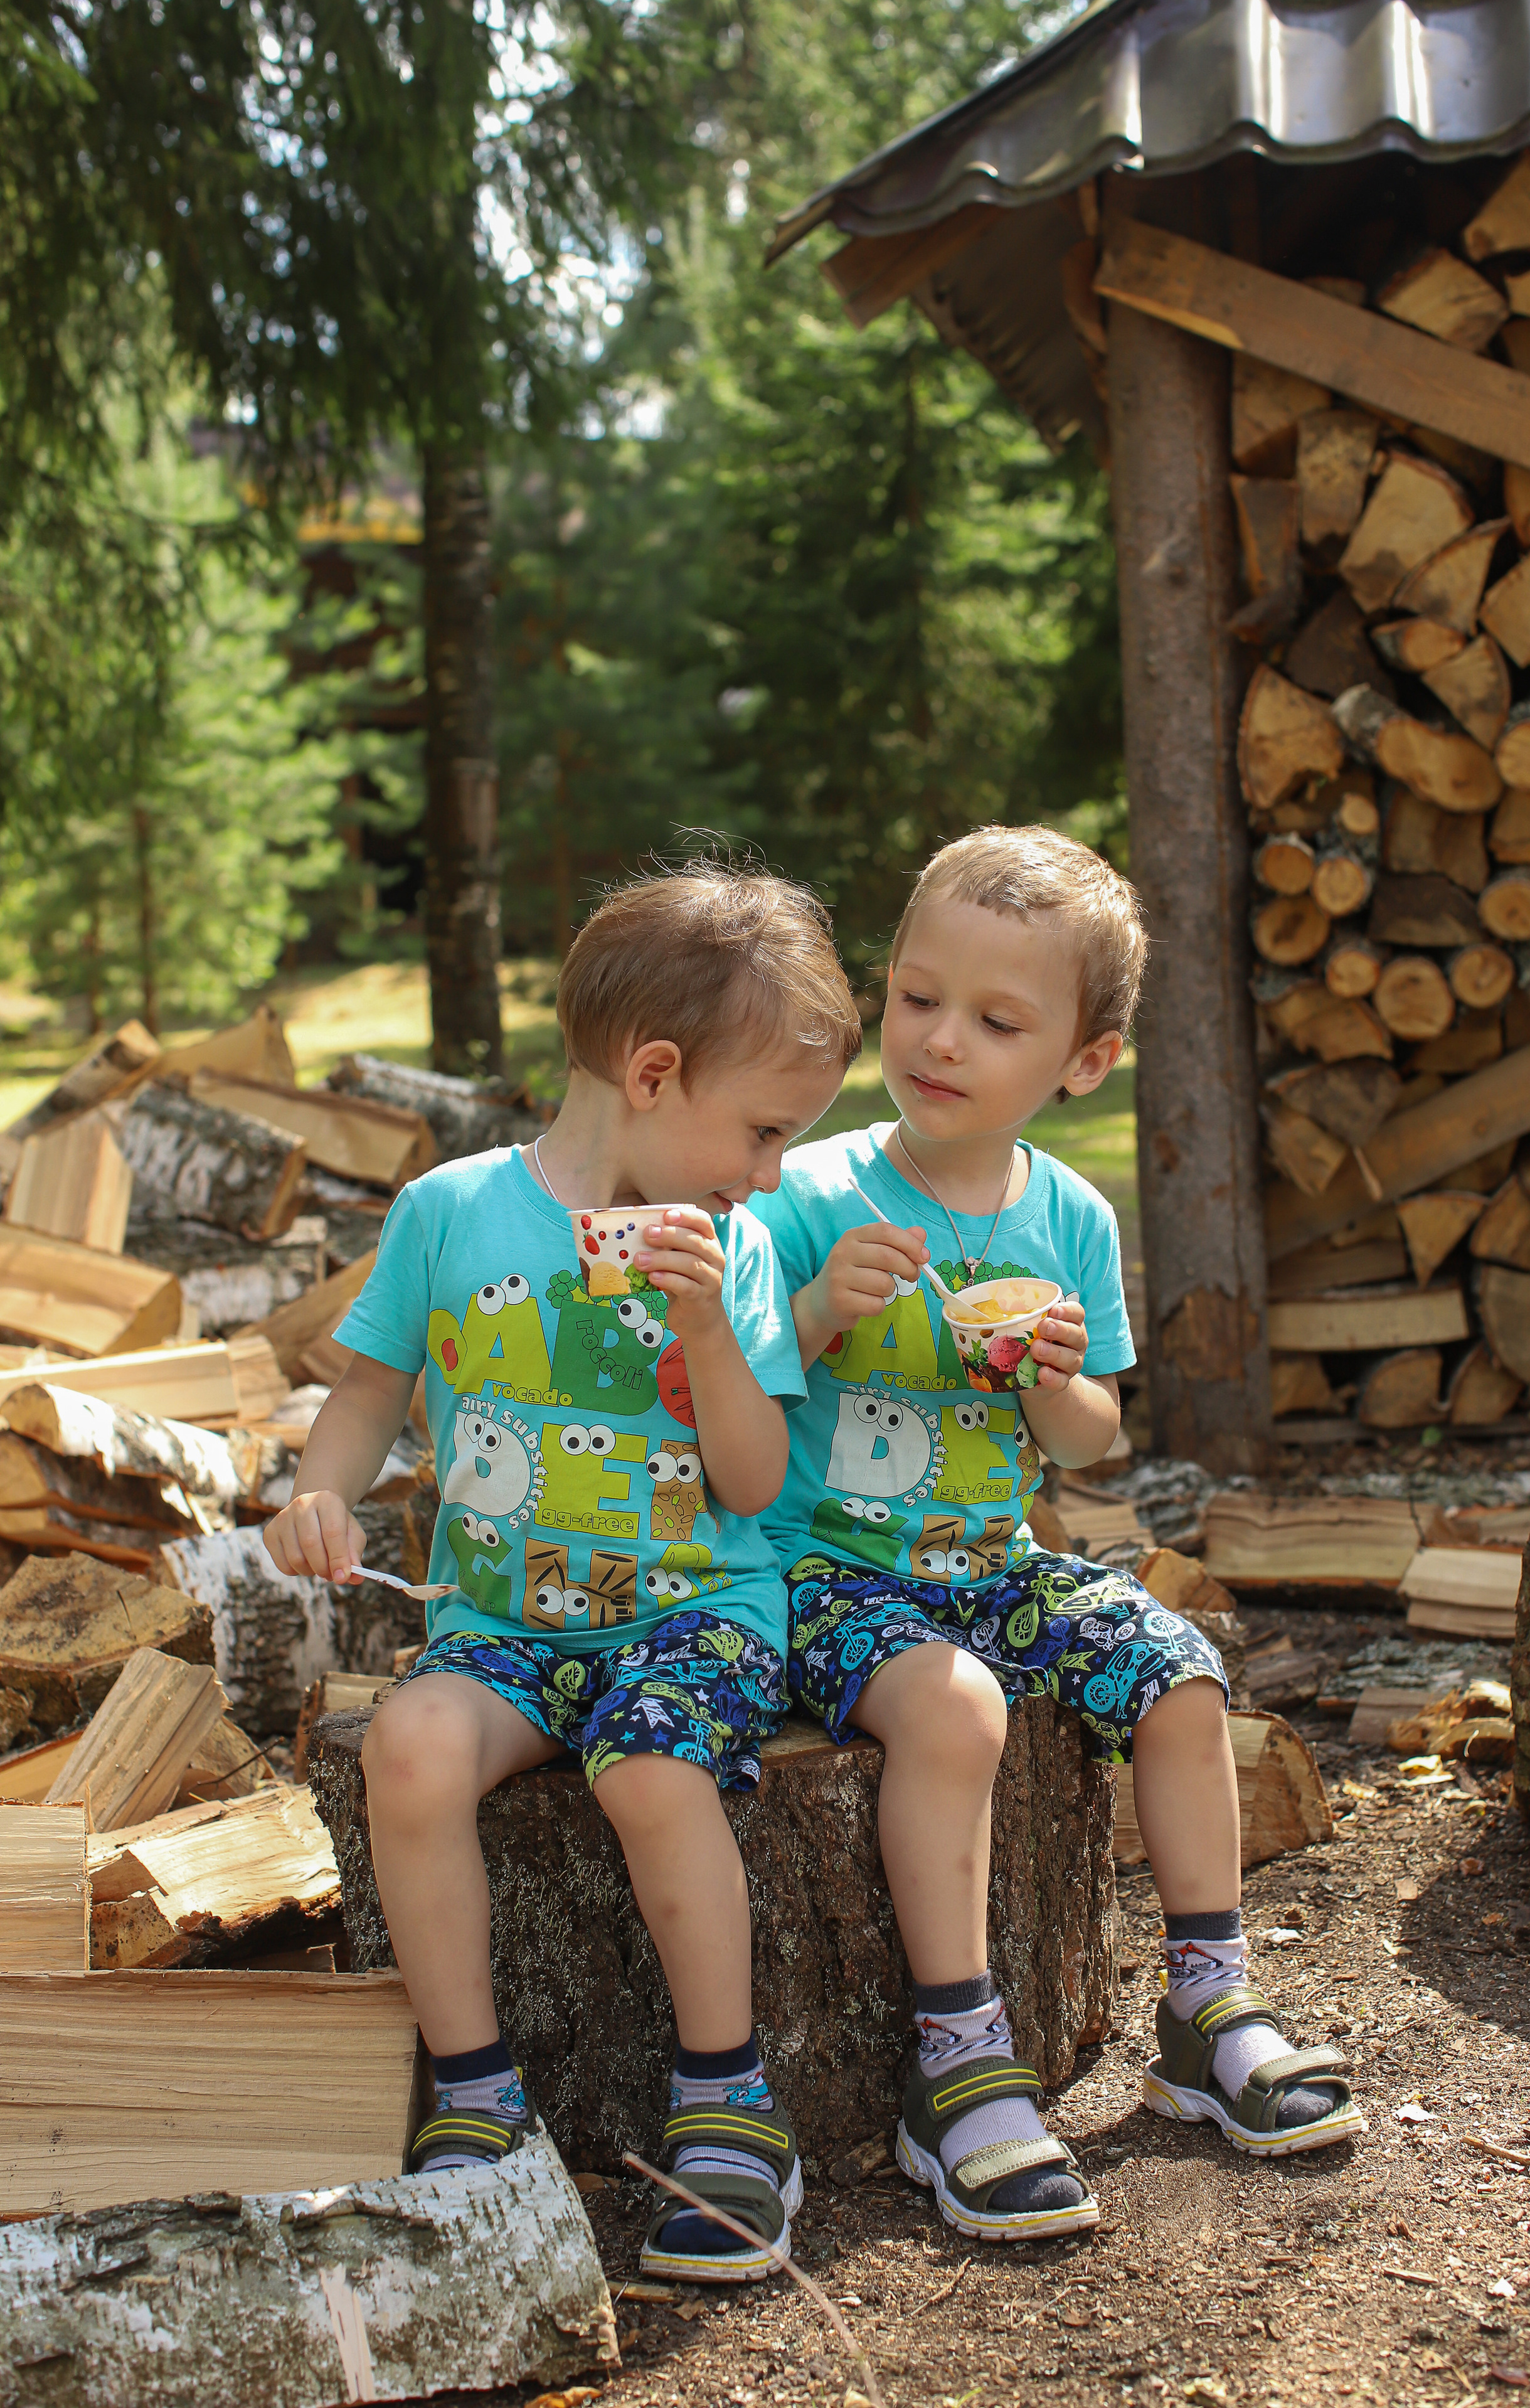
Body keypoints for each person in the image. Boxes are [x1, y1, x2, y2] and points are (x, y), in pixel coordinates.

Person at [748, 824, 1363, 2244]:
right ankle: (958, 2065)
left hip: (993, 1566)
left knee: (1177, 1668)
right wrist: (823, 1306)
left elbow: (1095, 1440)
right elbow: (730, 1392)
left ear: (1080, 1066)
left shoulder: (1067, 1213)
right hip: (822, 1578)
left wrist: (1049, 1373)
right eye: (915, 999)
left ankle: (1210, 2003)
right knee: (957, 1712)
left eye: (995, 1019)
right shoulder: (807, 1193)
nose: (938, 1039)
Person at [263, 861, 858, 2283]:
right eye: (763, 1128)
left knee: (650, 1771)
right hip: (505, 1629)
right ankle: (474, 2098)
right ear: (653, 1073)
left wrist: (710, 1330)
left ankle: (729, 2103)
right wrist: (315, 1492)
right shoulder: (450, 1212)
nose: (771, 1170)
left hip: (691, 1613)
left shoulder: (738, 1247)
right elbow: (365, 1389)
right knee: (404, 1747)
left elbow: (756, 1483)